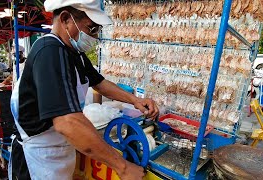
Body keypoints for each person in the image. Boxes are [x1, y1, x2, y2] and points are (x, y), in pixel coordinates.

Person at [8, 0, 159, 180]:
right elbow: (68, 122)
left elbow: (100, 83)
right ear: (65, 19)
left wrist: (134, 100)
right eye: (91, 28)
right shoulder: (50, 52)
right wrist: (123, 167)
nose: (94, 37)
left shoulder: (74, 53)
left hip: (58, 151)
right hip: (37, 159)